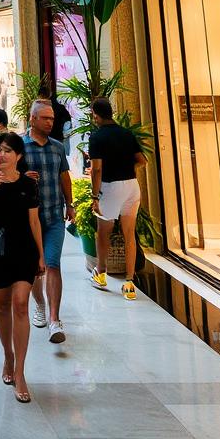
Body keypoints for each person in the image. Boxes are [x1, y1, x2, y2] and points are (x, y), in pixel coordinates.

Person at [0, 131, 45, 405]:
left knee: (20, 305)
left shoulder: (28, 184)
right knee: (2, 306)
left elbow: (35, 222)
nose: (0, 154)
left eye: (6, 150)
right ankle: (8, 355)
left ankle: (20, 371)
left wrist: (40, 256)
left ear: (18, 156)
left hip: (24, 250)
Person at [24, 100, 74, 342]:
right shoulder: (20, 147)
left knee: (53, 264)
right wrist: (22, 176)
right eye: (45, 118)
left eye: (52, 118)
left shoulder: (56, 147)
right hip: (29, 218)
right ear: (32, 119)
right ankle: (40, 304)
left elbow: (64, 177)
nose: (50, 122)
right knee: (36, 266)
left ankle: (55, 319)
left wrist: (71, 204)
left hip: (54, 216)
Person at [88, 96, 147, 298]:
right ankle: (129, 283)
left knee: (103, 231)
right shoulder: (126, 134)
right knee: (128, 233)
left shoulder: (96, 137)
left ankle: (101, 273)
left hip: (109, 187)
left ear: (96, 114)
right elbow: (142, 160)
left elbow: (96, 170)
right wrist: (126, 168)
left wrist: (95, 196)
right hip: (131, 186)